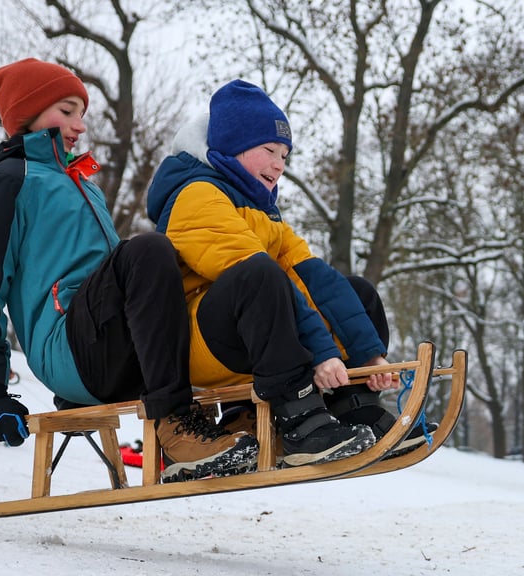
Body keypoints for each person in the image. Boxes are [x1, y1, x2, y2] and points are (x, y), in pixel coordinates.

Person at [0, 58, 258, 482]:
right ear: (27, 113)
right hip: (69, 350)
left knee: (198, 263)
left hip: (115, 344)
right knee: (150, 250)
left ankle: (241, 417)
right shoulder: (10, 179)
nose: (79, 126)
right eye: (66, 111)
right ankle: (176, 429)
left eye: (81, 114)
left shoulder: (83, 182)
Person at [146, 79, 434, 467]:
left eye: (285, 154)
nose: (280, 164)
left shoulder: (263, 211)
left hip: (253, 330)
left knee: (353, 291)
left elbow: (312, 277)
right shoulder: (196, 195)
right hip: (203, 340)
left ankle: (355, 405)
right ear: (233, 147)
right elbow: (256, 277)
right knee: (261, 277)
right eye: (269, 150)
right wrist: (322, 355)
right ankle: (300, 420)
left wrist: (370, 358)